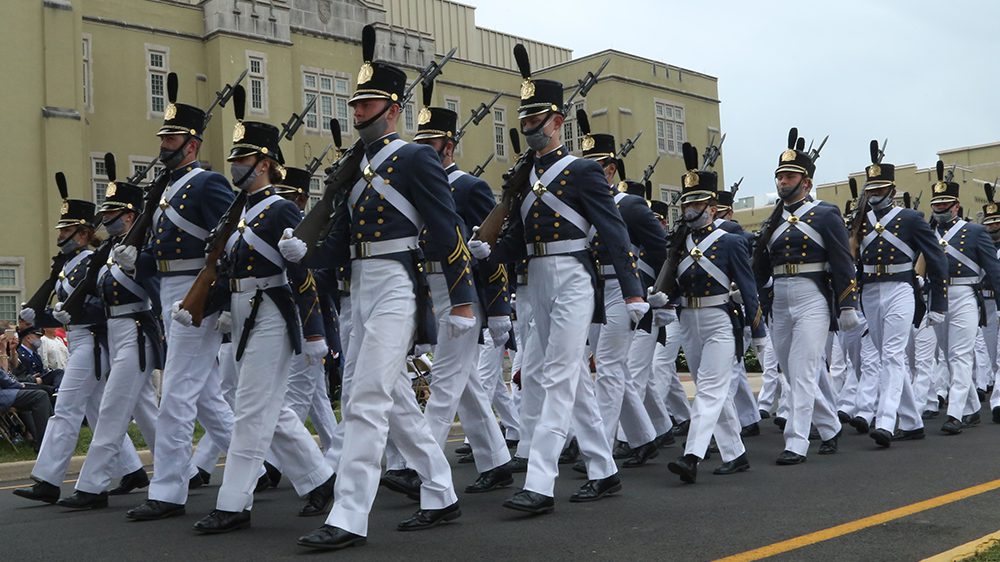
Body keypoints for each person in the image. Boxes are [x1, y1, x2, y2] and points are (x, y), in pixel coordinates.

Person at [284, 25, 473, 549]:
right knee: (390, 397)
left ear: (393, 109)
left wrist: (461, 297)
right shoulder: (354, 167)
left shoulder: (414, 158)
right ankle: (440, 492)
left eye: (368, 104)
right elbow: (341, 238)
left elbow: (447, 228)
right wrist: (307, 253)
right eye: (356, 103)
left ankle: (349, 515)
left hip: (395, 283)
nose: (358, 111)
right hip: (359, 285)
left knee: (364, 399)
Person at [469, 44, 642, 514]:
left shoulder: (584, 171)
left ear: (558, 121)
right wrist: (490, 252)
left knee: (557, 375)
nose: (529, 127)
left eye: (537, 119)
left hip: (572, 278)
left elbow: (613, 231)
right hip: (536, 278)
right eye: (524, 120)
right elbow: (519, 239)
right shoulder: (523, 177)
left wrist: (632, 292)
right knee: (571, 381)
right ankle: (604, 470)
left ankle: (540, 481)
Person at [185, 98, 335, 534]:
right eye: (234, 158)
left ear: (265, 163)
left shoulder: (281, 209)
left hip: (271, 312)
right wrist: (205, 309)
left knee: (250, 410)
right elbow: (226, 271)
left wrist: (313, 333)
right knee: (268, 409)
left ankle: (234, 503)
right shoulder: (242, 211)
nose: (235, 165)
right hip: (242, 311)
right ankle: (320, 479)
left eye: (244, 158)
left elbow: (302, 274)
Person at [381, 80, 513, 497]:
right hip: (429, 287)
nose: (424, 149)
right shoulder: (416, 182)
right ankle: (497, 460)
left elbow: (488, 253)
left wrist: (496, 310)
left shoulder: (470, 188)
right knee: (466, 383)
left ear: (450, 147)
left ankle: (421, 467)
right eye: (420, 140)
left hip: (463, 292)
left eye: (432, 142)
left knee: (443, 383)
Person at [119, 74, 237, 521]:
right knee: (205, 394)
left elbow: (226, 242)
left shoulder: (207, 184)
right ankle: (282, 466)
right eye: (162, 136)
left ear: (192, 143)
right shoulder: (164, 189)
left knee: (177, 394)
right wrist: (138, 259)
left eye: (172, 137)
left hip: (196, 292)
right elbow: (161, 251)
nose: (164, 143)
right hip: (170, 289)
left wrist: (219, 300)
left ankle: (168, 489)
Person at [649, 142, 765, 483]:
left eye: (697, 202)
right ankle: (736, 453)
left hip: (718, 320)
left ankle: (692, 455)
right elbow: (672, 281)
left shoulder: (730, 241)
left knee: (711, 390)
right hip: (688, 320)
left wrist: (758, 332)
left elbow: (747, 288)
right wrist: (661, 299)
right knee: (709, 387)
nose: (690, 208)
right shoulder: (679, 242)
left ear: (712, 207)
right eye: (686, 202)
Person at [57, 161, 161, 509]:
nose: (108, 218)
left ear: (132, 216)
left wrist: (139, 263)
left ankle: (92, 487)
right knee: (144, 408)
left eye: (115, 212)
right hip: (114, 336)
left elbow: (159, 291)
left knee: (114, 408)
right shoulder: (111, 252)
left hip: (135, 332)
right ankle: (182, 468)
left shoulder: (141, 248)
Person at [752, 128, 855, 465]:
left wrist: (848, 303)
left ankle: (796, 441)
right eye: (780, 176)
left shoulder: (825, 214)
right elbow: (761, 263)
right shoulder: (773, 219)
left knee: (805, 368)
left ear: (807, 182)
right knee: (792, 370)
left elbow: (842, 260)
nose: (783, 181)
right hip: (780, 296)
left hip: (812, 295)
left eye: (790, 176)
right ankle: (830, 426)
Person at [850, 144, 947, 447]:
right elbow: (851, 260)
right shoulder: (860, 222)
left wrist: (939, 301)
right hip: (871, 291)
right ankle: (913, 420)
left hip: (901, 289)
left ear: (891, 189)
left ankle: (886, 420)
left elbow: (936, 258)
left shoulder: (911, 218)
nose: (874, 192)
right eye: (871, 188)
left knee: (892, 355)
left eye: (879, 187)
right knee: (886, 356)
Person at [927, 163, 1000, 434]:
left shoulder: (975, 232)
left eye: (945, 203)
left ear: (956, 205)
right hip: (938, 296)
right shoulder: (929, 232)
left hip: (966, 295)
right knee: (948, 353)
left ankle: (955, 413)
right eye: (937, 203)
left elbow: (994, 271)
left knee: (959, 355)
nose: (940, 208)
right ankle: (971, 408)